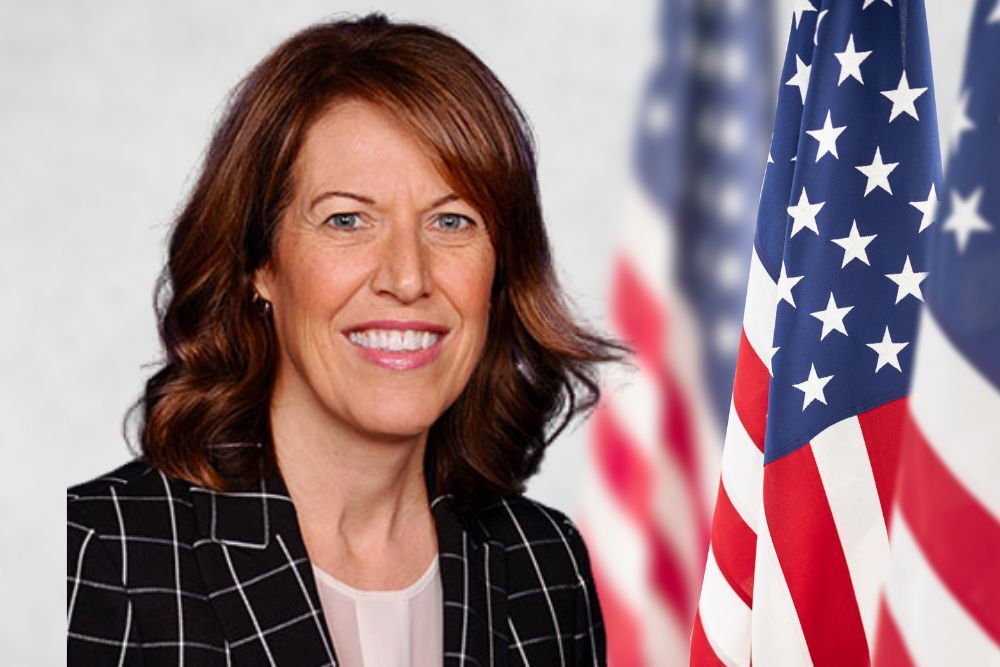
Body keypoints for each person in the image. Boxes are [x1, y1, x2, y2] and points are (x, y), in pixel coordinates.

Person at [67, 13, 623, 667]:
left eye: (451, 221)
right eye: (348, 220)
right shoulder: (103, 555)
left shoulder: (546, 565)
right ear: (259, 264)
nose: (407, 278)